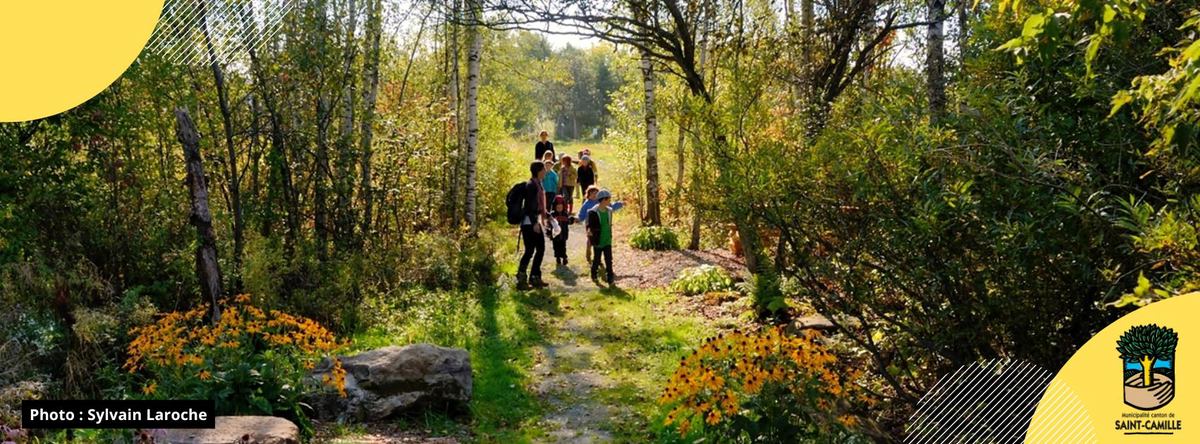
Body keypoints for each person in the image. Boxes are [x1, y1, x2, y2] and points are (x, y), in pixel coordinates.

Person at [517, 161, 550, 290]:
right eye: (543, 169)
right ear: (538, 171)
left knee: (538, 249)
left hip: (532, 221)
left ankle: (534, 277)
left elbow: (538, 205)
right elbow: (530, 206)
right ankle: (523, 279)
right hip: (529, 222)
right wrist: (535, 222)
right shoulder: (531, 185)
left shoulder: (537, 184)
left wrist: (547, 215)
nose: (545, 171)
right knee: (532, 250)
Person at [577, 186, 624, 265]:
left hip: (601, 225)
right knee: (590, 240)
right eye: (592, 193)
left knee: (599, 241)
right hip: (591, 226)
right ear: (588, 194)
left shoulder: (600, 202)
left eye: (596, 193)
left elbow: (611, 206)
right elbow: (582, 215)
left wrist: (620, 204)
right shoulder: (586, 204)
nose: (594, 195)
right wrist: (576, 219)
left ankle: (598, 258)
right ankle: (588, 254)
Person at [586, 189, 617, 285]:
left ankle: (610, 277)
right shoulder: (593, 212)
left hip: (607, 239)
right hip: (598, 240)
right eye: (608, 200)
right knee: (597, 259)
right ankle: (594, 273)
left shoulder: (609, 211)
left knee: (609, 259)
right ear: (603, 200)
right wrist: (589, 232)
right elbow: (589, 225)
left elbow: (609, 224)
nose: (610, 202)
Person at [550, 195, 575, 265]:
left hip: (563, 234)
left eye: (561, 207)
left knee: (563, 246)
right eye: (557, 207)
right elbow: (549, 223)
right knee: (556, 247)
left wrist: (571, 220)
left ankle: (564, 257)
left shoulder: (565, 214)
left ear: (563, 207)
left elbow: (568, 222)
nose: (559, 209)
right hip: (555, 235)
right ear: (554, 207)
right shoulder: (552, 214)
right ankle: (558, 258)